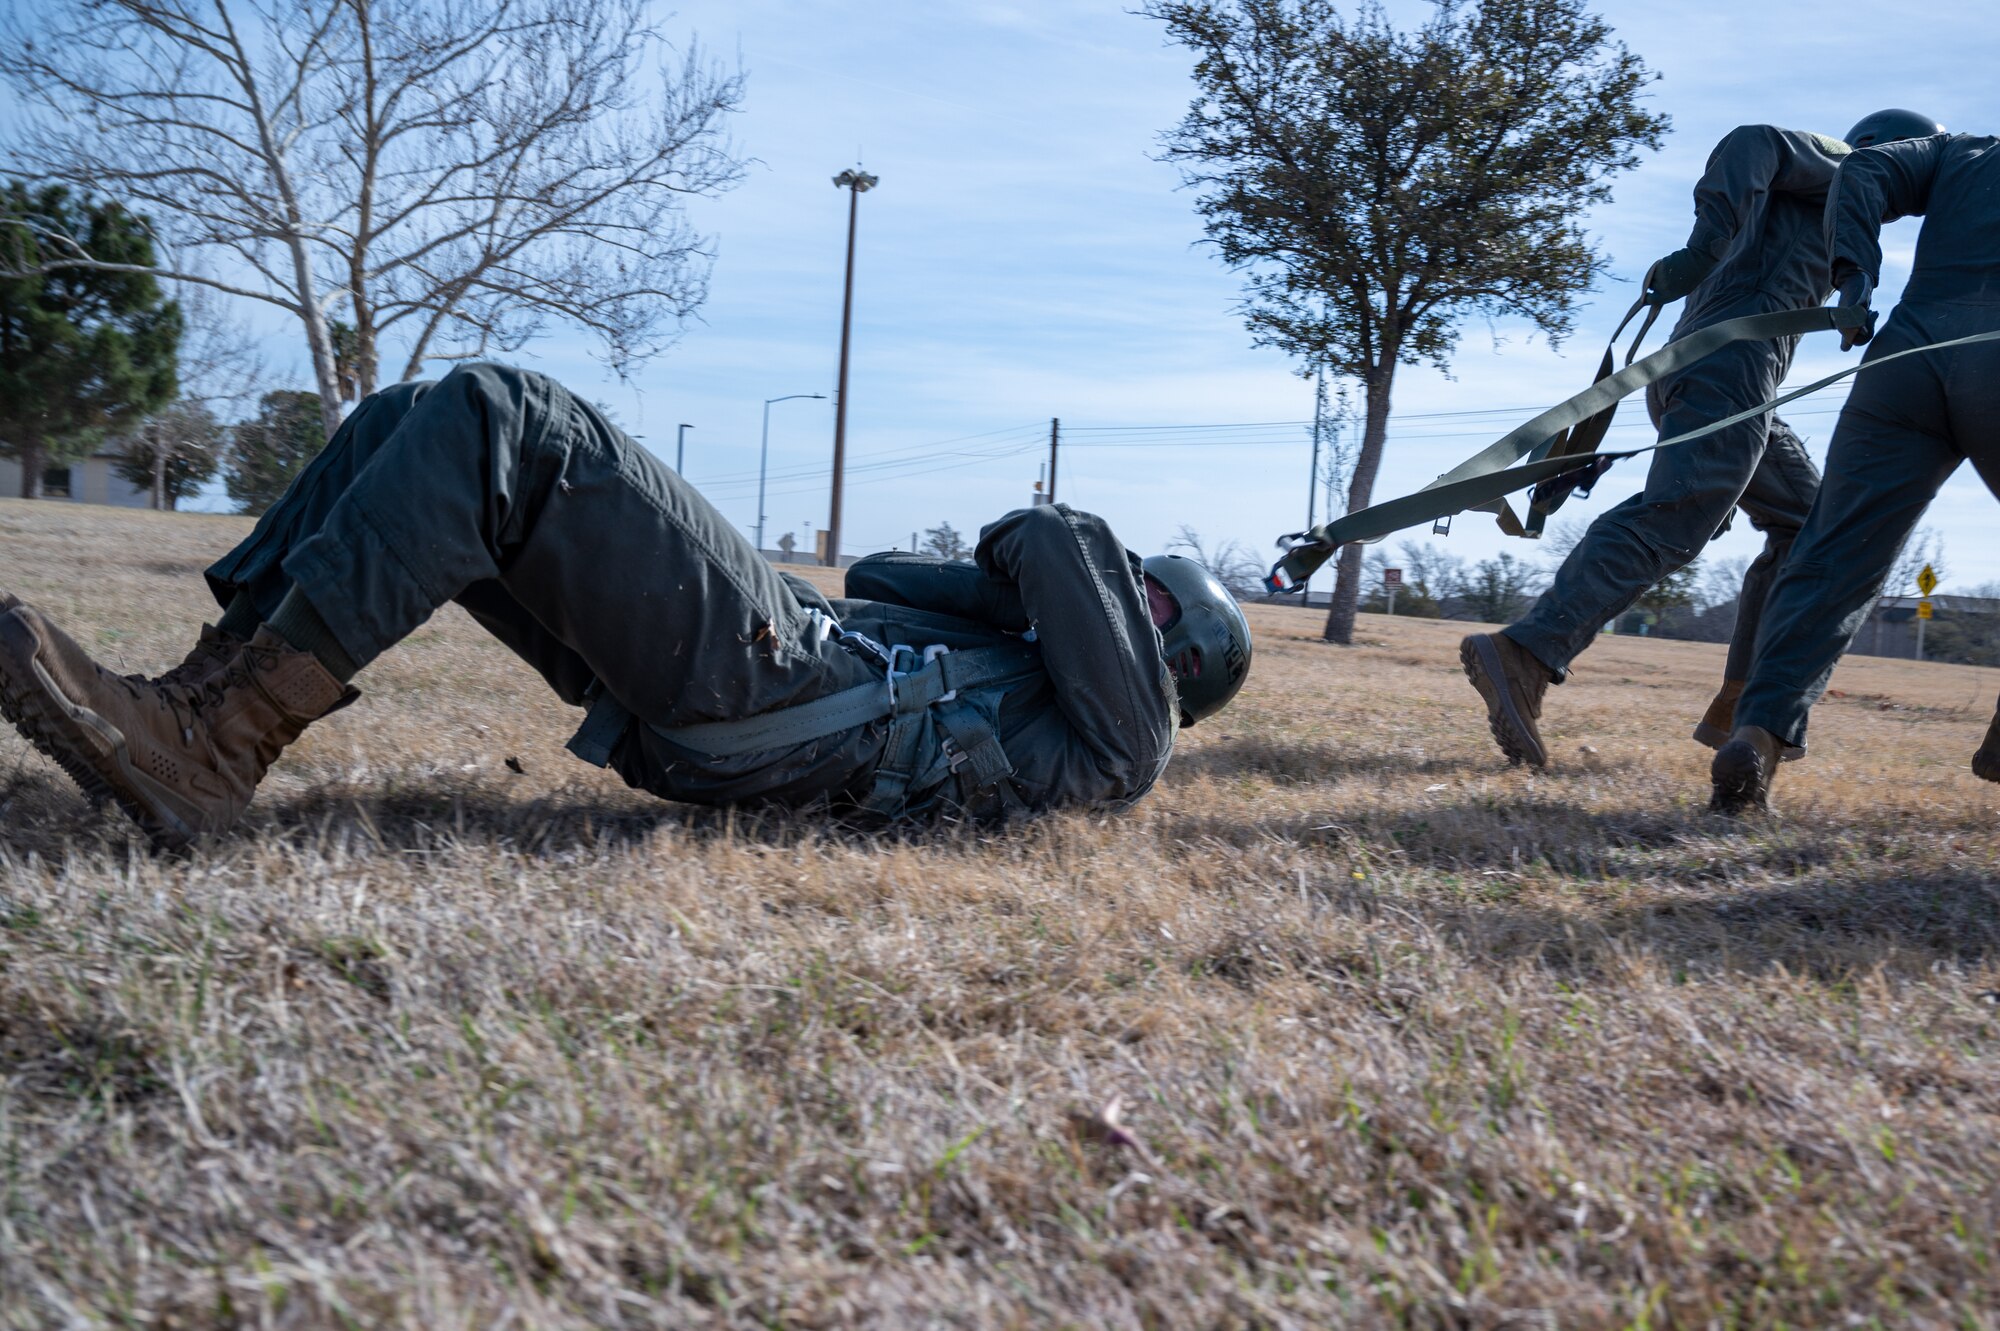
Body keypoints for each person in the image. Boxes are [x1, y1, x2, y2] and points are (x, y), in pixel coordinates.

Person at [0, 364, 1251, 849]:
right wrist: (1016, 599)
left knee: (511, 419)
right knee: (409, 425)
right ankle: (198, 702)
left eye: (1143, 597)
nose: (1114, 585)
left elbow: (1049, 534)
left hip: (786, 690)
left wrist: (1081, 567)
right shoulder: (1041, 674)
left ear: (1170, 658)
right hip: (765, 682)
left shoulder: (1125, 746)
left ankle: (211, 752)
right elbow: (877, 576)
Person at [1459, 111, 1942, 769]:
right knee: (1677, 517)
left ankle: (1745, 703)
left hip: (1734, 378)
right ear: (1896, 152)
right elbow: (1757, 141)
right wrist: (1703, 247)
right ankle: (1528, 651)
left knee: (1808, 523)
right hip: (1727, 369)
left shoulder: (1839, 204)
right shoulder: (1845, 164)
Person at [1712, 125, 2000, 812]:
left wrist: (1856, 281)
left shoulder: (1960, 150)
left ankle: (1758, 732)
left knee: (1833, 552)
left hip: (1903, 359)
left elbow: (1863, 170)